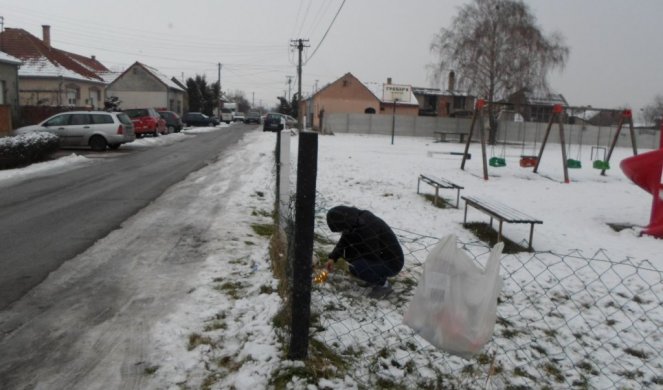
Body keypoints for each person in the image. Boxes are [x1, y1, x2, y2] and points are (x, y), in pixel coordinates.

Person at [325, 205, 404, 297]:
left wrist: (352, 265)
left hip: (393, 263)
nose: (342, 232)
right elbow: (344, 241)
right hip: (381, 257)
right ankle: (373, 277)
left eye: (341, 229)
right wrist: (332, 258)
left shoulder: (368, 228)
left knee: (357, 266)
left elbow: (373, 255)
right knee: (354, 261)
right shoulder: (355, 222)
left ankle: (384, 285)